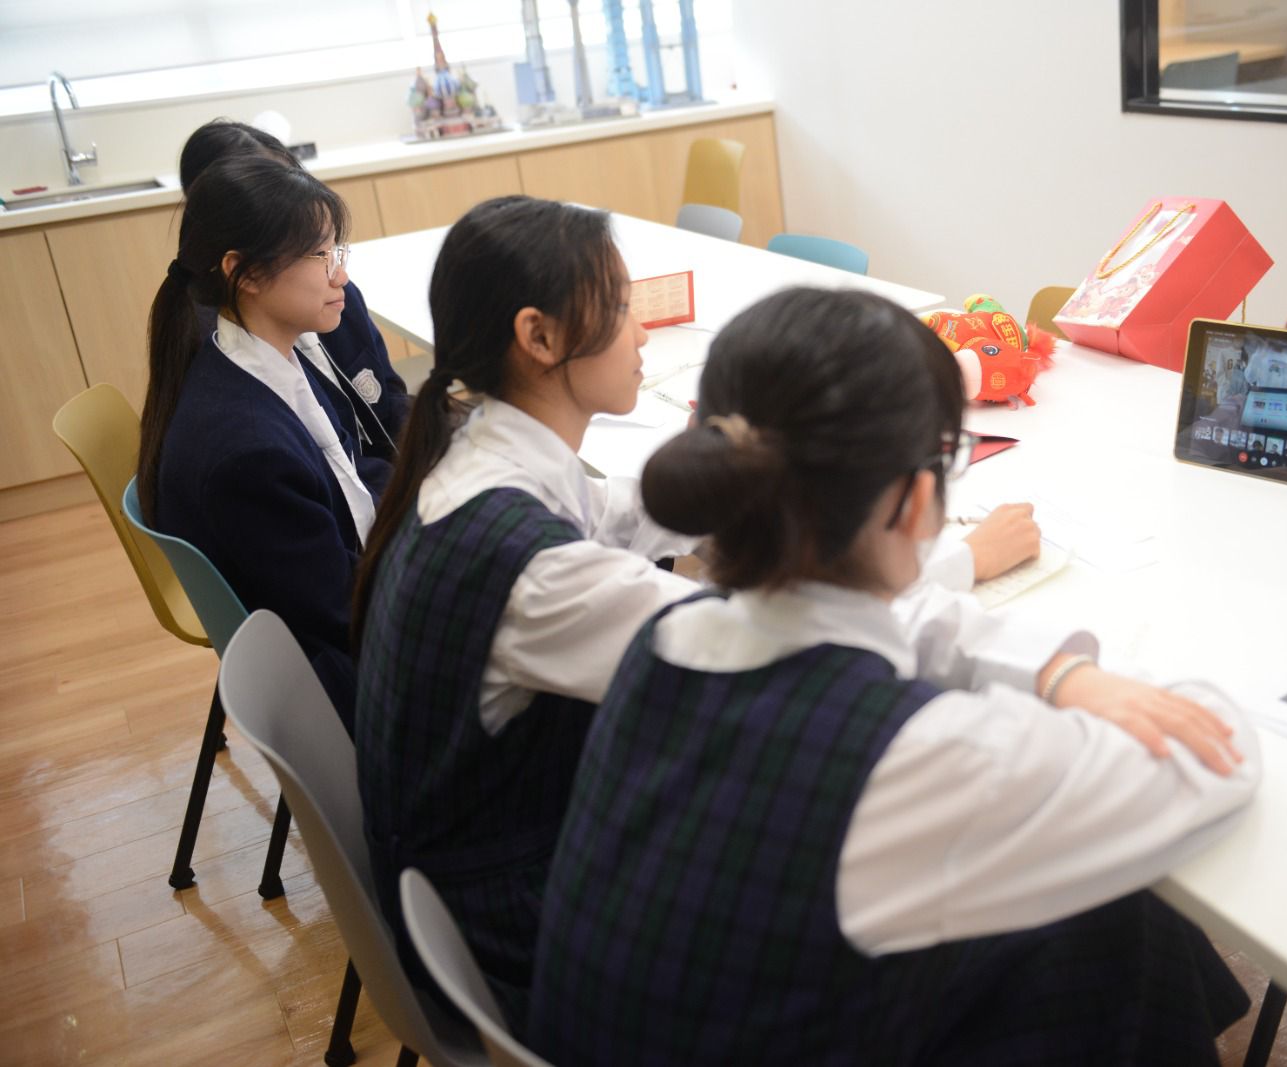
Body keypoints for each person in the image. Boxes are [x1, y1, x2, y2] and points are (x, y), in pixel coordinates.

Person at [350, 197, 1047, 1018]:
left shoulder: (479, 457)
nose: (642, 334)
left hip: (483, 865)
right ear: (538, 337)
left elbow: (622, 511)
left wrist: (758, 472)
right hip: (519, 927)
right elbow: (776, 641)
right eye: (619, 309)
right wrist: (959, 557)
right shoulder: (538, 574)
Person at [527, 287, 1262, 1065]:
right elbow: (1219, 756)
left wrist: (1058, 669)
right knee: (1115, 916)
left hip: (631, 1028)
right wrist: (1135, 678)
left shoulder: (665, 635)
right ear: (918, 501)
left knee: (1099, 927)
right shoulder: (915, 756)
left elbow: (879, 618)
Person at [139, 155, 375, 725]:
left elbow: (347, 483)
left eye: (337, 252)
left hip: (343, 627)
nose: (340, 275)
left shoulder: (252, 364)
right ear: (243, 272)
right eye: (320, 255)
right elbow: (345, 614)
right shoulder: (249, 452)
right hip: (351, 686)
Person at [178, 120, 409, 485]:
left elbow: (389, 396)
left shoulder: (327, 302)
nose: (339, 275)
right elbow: (336, 474)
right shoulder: (248, 414)